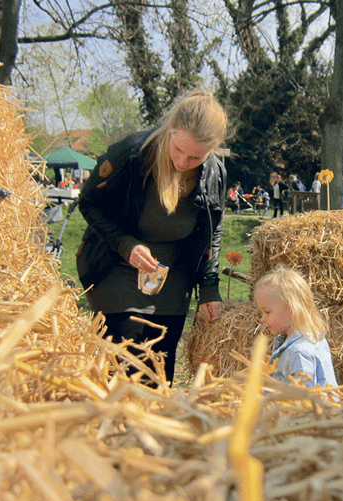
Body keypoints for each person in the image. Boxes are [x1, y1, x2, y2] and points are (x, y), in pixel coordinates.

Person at [76, 89, 229, 385]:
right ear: (171, 130)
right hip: (117, 269)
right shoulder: (131, 154)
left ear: (213, 148)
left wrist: (209, 287)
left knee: (158, 369)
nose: (183, 163)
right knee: (124, 365)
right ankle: (115, 425)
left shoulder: (215, 173)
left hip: (173, 280)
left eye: (196, 156)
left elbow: (213, 229)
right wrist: (126, 245)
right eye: (177, 151)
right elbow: (88, 203)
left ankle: (153, 425)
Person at [254, 267, 338, 388]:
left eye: (267, 312)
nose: (262, 318)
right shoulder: (313, 338)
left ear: (292, 310)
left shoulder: (298, 352)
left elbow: (303, 398)